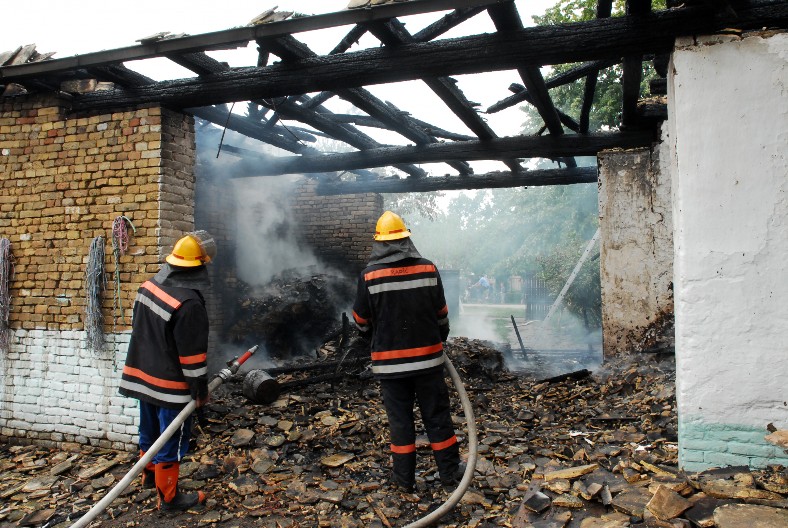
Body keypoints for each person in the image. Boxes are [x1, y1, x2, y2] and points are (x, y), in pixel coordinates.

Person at [352, 211, 463, 493]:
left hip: (390, 368)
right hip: (428, 362)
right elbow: (442, 316)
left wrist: (373, 339)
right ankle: (449, 475)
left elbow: (361, 322)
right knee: (437, 417)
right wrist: (439, 340)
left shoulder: (368, 276)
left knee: (401, 423)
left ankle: (404, 481)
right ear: (406, 239)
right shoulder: (428, 269)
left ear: (379, 243)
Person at [119, 231, 216, 512]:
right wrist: (200, 392)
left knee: (148, 429)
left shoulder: (148, 286)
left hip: (141, 376)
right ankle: (170, 498)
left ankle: (149, 477)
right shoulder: (190, 304)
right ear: (200, 266)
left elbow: (142, 330)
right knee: (172, 437)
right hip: (170, 386)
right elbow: (193, 358)